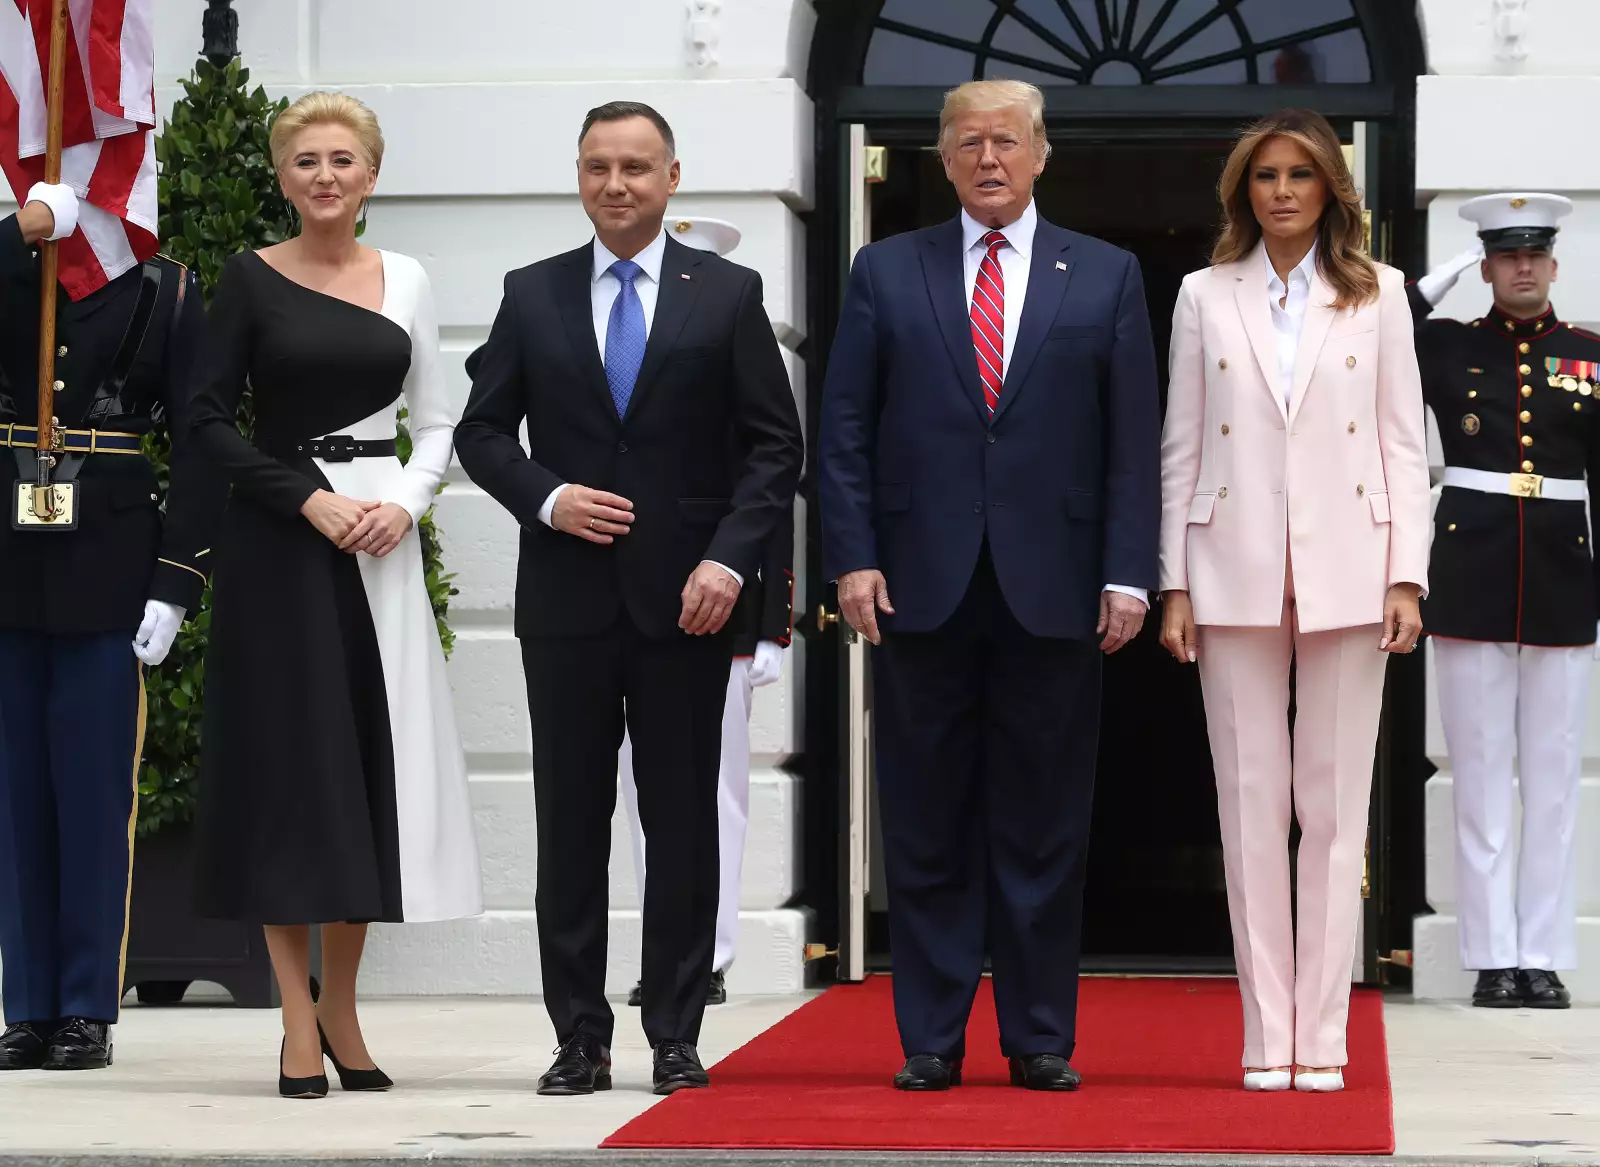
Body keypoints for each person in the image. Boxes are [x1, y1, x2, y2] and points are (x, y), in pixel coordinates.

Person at [454, 102, 802, 1097]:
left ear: (672, 178)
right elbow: (482, 433)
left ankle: (677, 1030)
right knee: (569, 829)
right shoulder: (532, 293)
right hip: (564, 606)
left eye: (636, 168)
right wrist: (548, 497)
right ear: (577, 174)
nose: (616, 184)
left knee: (683, 825)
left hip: (689, 604)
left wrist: (731, 561)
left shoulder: (728, 294)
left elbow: (774, 446)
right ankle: (579, 1037)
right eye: (599, 167)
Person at [819, 79, 1160, 1093]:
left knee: (1043, 824)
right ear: (942, 154)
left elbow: (1131, 446)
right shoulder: (885, 270)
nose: (989, 160)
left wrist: (1127, 572)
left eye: (1006, 141)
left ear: (1041, 153)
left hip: (1055, 589)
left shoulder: (1106, 275)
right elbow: (843, 430)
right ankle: (929, 1038)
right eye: (969, 143)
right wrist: (850, 555)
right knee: (924, 822)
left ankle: (1039, 1036)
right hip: (917, 586)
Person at [187, 92, 483, 1099]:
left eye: (342, 159)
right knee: (290, 776)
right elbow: (206, 420)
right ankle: (294, 1022)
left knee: (365, 769)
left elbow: (439, 420)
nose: (324, 174)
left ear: (371, 175)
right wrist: (305, 502)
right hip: (282, 546)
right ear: (282, 177)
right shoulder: (246, 281)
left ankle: (344, 1013)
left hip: (382, 546)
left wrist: (404, 502)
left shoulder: (409, 279)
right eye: (305, 160)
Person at [1159, 109, 1431, 1093]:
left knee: (1331, 808)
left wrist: (1408, 571)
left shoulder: (1380, 296)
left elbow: (1405, 444)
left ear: (1329, 191)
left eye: (1299, 176)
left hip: (1352, 569)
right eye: (1265, 175)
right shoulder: (1202, 294)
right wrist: (1173, 580)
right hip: (1228, 566)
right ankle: (1263, 1033)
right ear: (1244, 191)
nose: (1281, 190)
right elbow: (1179, 445)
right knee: (1247, 805)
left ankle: (1323, 1034)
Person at [0, 186, 216, 1073]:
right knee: (13, 793)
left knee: (93, 793)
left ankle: (86, 1003)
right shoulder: (10, 255)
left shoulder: (162, 286)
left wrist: (177, 578)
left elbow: (201, 437)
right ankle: (28, 1002)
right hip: (8, 554)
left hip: (109, 558)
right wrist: (19, 232)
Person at [1405, 193, 1597, 1011]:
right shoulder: (1447, 346)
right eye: (1505, 255)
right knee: (1480, 772)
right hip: (1472, 567)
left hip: (1562, 572)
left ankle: (1545, 952)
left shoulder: (1590, 352)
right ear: (1486, 266)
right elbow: (1384, 323)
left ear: (1553, 265)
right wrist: (1439, 274)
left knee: (1553, 778)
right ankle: (1492, 955)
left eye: (1535, 255)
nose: (1522, 266)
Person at [614, 219, 794, 1010]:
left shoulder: (736, 347)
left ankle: (706, 953)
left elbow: (771, 497)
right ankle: (664, 946)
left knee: (714, 792)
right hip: (623, 603)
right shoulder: (620, 357)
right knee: (635, 791)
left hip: (714, 607)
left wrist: (770, 622)